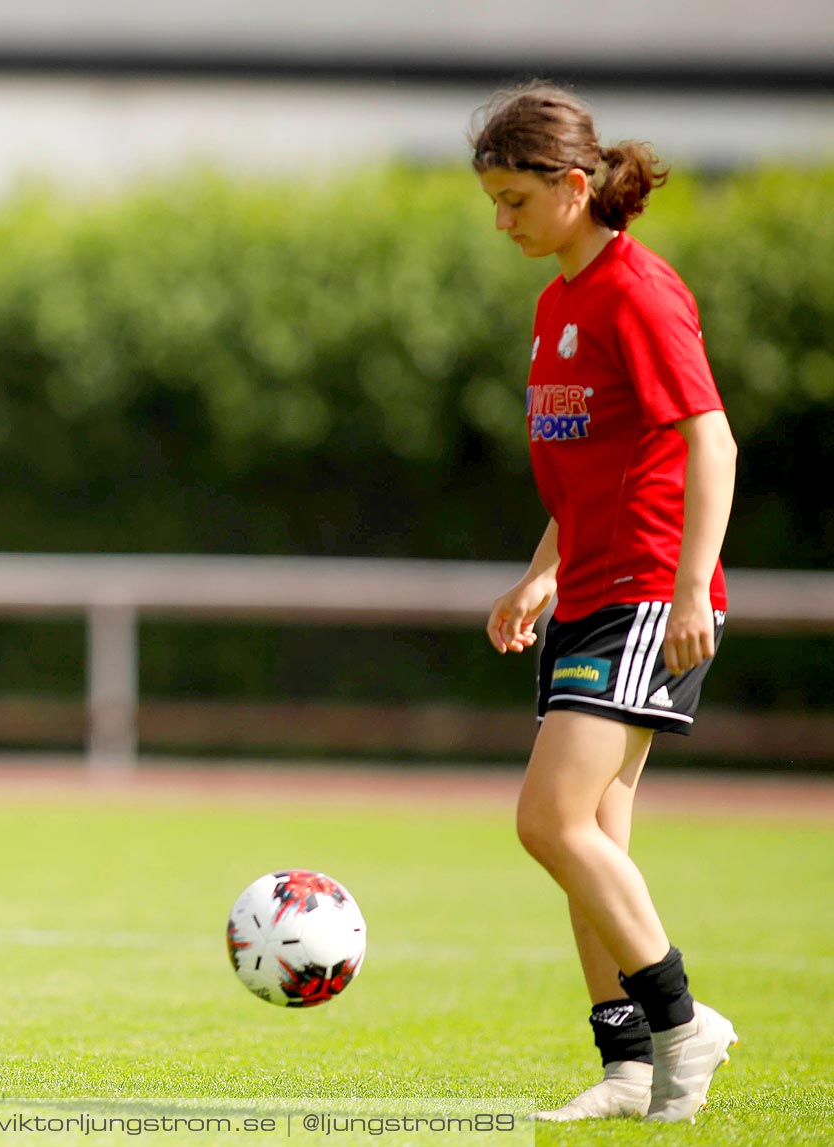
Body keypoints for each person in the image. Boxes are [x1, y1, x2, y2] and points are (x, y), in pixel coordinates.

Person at [472, 84, 739, 1124]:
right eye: (493, 202)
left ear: (575, 187)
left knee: (549, 819)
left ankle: (681, 1020)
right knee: (595, 834)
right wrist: (541, 568)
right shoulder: (558, 302)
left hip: (644, 591)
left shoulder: (639, 291)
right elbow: (593, 467)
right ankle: (631, 1066)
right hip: (587, 587)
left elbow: (707, 441)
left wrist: (686, 585)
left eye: (514, 200)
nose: (503, 222)